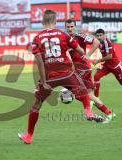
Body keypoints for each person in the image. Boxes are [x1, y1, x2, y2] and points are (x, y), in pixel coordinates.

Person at [18, 10, 103, 144]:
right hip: (67, 73)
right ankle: (88, 111)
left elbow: (39, 62)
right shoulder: (63, 35)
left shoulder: (37, 39)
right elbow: (80, 51)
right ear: (55, 21)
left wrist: (43, 81)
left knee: (36, 105)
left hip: (50, 76)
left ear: (42, 22)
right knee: (83, 90)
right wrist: (83, 57)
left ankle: (29, 136)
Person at [64, 19, 115, 123]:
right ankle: (109, 113)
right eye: (68, 27)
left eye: (72, 27)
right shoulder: (65, 39)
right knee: (90, 95)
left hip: (83, 68)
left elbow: (96, 42)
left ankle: (90, 111)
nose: (70, 29)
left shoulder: (80, 36)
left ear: (75, 27)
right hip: (79, 68)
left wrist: (88, 55)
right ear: (65, 28)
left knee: (75, 91)